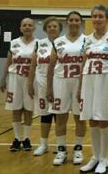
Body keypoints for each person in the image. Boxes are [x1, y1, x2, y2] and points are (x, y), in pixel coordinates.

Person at [78, 4, 108, 174]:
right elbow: (83, 63)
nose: (97, 19)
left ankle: (104, 158)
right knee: (91, 119)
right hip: (88, 80)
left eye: (101, 16)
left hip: (105, 80)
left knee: (103, 119)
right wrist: (80, 87)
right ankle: (95, 156)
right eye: (95, 16)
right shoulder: (87, 39)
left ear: (107, 19)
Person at [46, 11, 86, 166]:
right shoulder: (58, 41)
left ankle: (78, 149)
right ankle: (61, 150)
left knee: (79, 118)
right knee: (61, 118)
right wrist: (49, 88)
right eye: (71, 20)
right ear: (67, 22)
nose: (74, 22)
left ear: (80, 22)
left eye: (77, 20)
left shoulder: (86, 40)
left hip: (79, 81)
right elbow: (51, 66)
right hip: (60, 81)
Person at [0, 18, 37, 151]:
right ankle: (17, 138)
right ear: (21, 28)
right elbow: (8, 61)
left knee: (28, 109)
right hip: (15, 78)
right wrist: (3, 78)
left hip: (30, 79)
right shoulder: (14, 43)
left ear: (34, 28)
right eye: (24, 25)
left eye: (30, 25)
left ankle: (26, 138)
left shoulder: (39, 43)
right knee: (16, 109)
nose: (27, 27)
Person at [28, 17, 63, 156]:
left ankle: (61, 144)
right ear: (45, 29)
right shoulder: (39, 44)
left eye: (55, 26)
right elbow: (32, 65)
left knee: (59, 114)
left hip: (60, 82)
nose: (52, 28)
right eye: (49, 26)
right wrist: (30, 84)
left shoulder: (63, 43)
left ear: (60, 29)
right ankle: (43, 144)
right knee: (45, 114)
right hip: (41, 82)